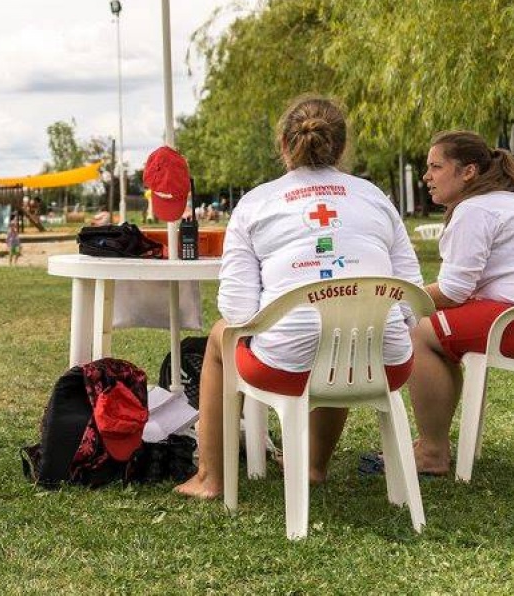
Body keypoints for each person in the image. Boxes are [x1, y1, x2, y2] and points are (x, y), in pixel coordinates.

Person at [176, 95, 421, 499]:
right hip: (386, 362)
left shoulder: (256, 203)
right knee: (347, 329)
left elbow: (237, 311)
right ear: (341, 148)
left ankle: (210, 478)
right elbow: (410, 299)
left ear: (284, 146)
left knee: (223, 335)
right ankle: (312, 465)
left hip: (285, 368)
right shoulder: (376, 197)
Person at [405, 131, 514, 475]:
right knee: (440, 334)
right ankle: (432, 443)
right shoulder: (512, 202)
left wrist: (396, 298)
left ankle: (431, 452)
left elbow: (454, 290)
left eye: (436, 167)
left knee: (422, 333)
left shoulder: (475, 209)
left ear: (468, 172)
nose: (426, 176)